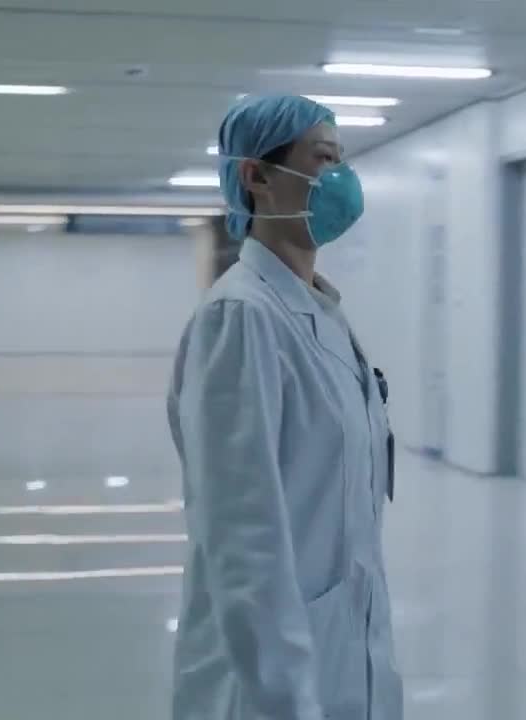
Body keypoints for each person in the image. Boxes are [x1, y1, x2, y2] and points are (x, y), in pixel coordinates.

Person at [167, 94, 402, 720]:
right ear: (257, 176)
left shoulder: (318, 311)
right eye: (322, 159)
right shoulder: (242, 317)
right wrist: (288, 701)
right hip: (270, 680)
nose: (341, 178)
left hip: (342, 646)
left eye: (342, 159)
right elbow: (243, 539)